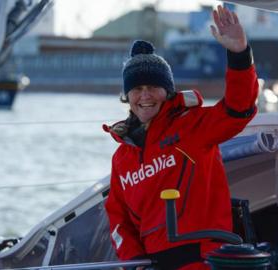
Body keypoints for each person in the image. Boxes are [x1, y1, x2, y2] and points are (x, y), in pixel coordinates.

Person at [104, 5, 258, 269]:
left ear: (168, 91)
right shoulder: (122, 158)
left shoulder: (193, 126)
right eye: (137, 89)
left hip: (206, 258)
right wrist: (134, 262)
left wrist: (239, 54)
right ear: (127, 97)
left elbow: (238, 108)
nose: (145, 96)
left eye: (153, 87)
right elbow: (118, 221)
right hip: (155, 263)